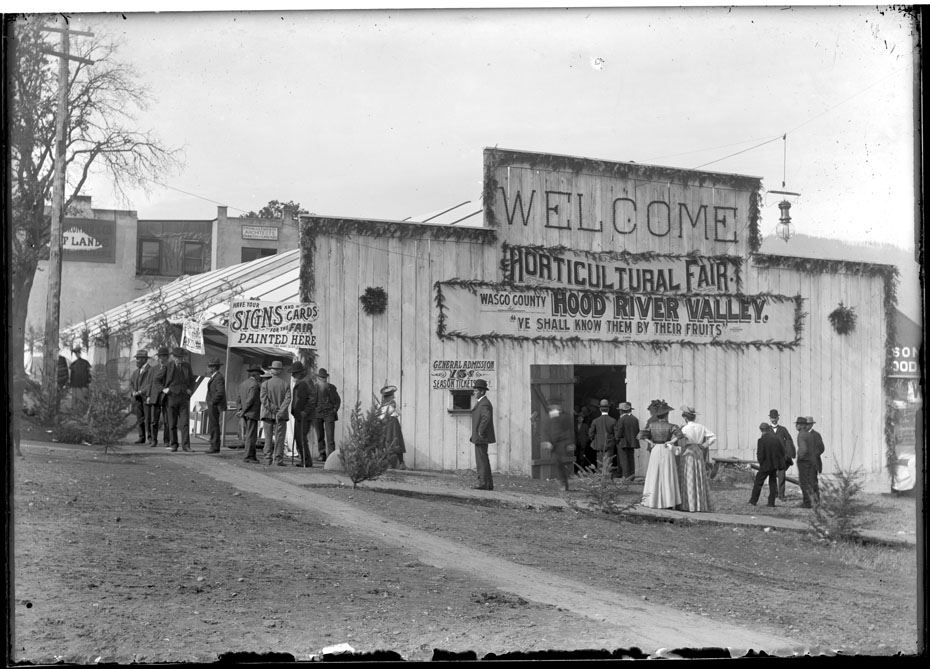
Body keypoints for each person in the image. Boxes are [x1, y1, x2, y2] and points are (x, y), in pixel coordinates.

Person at [637, 399, 684, 509]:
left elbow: (640, 435)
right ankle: (668, 501)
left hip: (656, 449)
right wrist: (671, 442)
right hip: (666, 449)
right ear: (667, 414)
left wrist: (651, 442)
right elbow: (680, 435)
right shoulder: (672, 426)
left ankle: (652, 500)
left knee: (654, 474)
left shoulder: (652, 425)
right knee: (667, 474)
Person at [678, 405, 716, 512]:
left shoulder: (684, 428)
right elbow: (713, 437)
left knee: (688, 476)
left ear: (685, 417)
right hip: (698, 450)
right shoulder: (701, 427)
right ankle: (700, 503)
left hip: (688, 451)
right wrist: (704, 445)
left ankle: (689, 504)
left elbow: (681, 441)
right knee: (699, 475)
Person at [162, 347, 196, 452]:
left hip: (184, 398)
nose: (180, 359)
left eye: (182, 357)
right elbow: (157, 380)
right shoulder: (168, 366)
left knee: (185, 423)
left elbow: (192, 380)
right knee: (172, 423)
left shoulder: (187, 366)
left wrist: (190, 389)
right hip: (171, 397)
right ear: (173, 357)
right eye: (178, 357)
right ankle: (174, 445)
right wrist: (164, 389)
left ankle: (186, 446)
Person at [261, 360, 291, 466]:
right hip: (281, 416)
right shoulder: (285, 384)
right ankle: (278, 460)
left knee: (268, 437)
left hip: (268, 414)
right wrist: (280, 410)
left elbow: (264, 400)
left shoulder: (265, 384)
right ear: (280, 371)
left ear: (272, 371)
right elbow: (288, 399)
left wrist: (274, 409)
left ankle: (267, 458)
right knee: (280, 438)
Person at [749, 423, 787, 507]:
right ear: (769, 429)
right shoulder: (776, 439)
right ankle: (771, 502)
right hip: (774, 465)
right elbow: (782, 451)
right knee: (772, 483)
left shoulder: (761, 440)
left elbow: (760, 455)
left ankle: (753, 501)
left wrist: (762, 463)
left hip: (765, 465)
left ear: (761, 430)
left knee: (758, 482)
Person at [541, 397, 574, 491]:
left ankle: (565, 482)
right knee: (557, 463)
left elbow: (570, 430)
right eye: (552, 405)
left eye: (556, 405)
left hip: (563, 443)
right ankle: (563, 482)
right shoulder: (549, 417)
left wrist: (570, 443)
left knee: (564, 462)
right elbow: (546, 430)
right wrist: (547, 441)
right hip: (554, 444)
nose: (553, 407)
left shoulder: (566, 416)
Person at [290, 361, 317, 467]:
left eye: (294, 373)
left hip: (304, 415)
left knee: (301, 438)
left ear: (300, 373)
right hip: (299, 415)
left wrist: (306, 411)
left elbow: (312, 398)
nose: (292, 375)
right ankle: (304, 459)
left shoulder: (306, 382)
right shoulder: (301, 382)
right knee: (299, 437)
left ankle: (306, 461)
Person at [470, 378, 496, 490]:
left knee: (481, 460)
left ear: (482, 391)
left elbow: (486, 417)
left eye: (476, 390)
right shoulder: (482, 402)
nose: (474, 392)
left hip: (481, 437)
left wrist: (480, 431)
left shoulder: (484, 403)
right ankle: (488, 484)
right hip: (480, 436)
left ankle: (483, 483)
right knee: (484, 459)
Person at [796, 416, 825, 508]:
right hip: (810, 461)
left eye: (808, 424)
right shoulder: (806, 434)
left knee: (811, 482)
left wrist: (811, 455)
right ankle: (811, 502)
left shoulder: (815, 434)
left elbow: (821, 448)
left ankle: (813, 502)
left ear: (811, 424)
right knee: (809, 483)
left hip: (810, 462)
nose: (807, 426)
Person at [313, 368, 341, 460]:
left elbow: (337, 401)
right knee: (320, 436)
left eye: (324, 377)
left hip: (329, 414)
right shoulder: (314, 388)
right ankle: (322, 454)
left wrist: (334, 410)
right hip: (317, 414)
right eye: (321, 377)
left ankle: (331, 457)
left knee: (330, 437)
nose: (323, 379)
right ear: (318, 378)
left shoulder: (332, 388)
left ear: (326, 378)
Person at [237, 365, 263, 463]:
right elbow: (250, 400)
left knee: (249, 434)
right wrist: (243, 410)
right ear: (256, 374)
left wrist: (240, 410)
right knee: (251, 435)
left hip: (245, 413)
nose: (260, 377)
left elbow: (238, 398)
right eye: (259, 375)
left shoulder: (243, 384)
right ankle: (248, 456)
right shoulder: (255, 385)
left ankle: (252, 455)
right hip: (251, 412)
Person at [769, 409, 796, 501]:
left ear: (778, 418)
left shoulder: (783, 429)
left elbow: (789, 440)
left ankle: (781, 495)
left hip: (781, 458)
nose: (774, 420)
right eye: (772, 418)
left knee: (781, 476)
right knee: (772, 477)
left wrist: (788, 453)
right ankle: (774, 494)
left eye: (775, 418)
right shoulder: (767, 430)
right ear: (770, 418)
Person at [146, 347, 171, 447]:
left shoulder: (171, 368)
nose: (161, 358)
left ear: (167, 357)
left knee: (167, 420)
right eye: (160, 356)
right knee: (154, 420)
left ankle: (166, 440)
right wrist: (148, 395)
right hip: (155, 396)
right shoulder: (153, 369)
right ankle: (153, 440)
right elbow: (149, 383)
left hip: (166, 396)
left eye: (164, 356)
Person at [379, 384, 407, 469]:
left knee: (395, 441)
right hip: (387, 423)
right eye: (392, 396)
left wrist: (393, 409)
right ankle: (390, 463)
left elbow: (398, 413)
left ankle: (401, 463)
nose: (393, 397)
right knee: (387, 441)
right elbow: (380, 416)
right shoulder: (383, 405)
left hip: (392, 423)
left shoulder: (391, 404)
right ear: (388, 396)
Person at [588, 399, 618, 475]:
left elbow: (591, 433)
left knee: (600, 462)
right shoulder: (613, 420)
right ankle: (607, 478)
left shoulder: (595, 421)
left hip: (599, 444)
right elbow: (616, 435)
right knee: (608, 462)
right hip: (609, 444)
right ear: (608, 409)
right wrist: (614, 441)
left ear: (600, 409)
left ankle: (600, 478)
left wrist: (594, 440)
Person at [128, 350, 152, 444]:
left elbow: (150, 384)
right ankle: (141, 437)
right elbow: (131, 383)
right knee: (140, 418)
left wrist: (140, 391)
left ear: (144, 359)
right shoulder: (135, 372)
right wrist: (133, 391)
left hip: (146, 397)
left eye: (138, 359)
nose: (137, 361)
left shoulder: (151, 371)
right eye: (136, 358)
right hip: (138, 399)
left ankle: (150, 438)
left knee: (148, 418)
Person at [205, 358, 227, 454]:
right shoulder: (215, 377)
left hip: (215, 405)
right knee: (213, 425)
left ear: (213, 368)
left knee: (214, 426)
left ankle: (214, 446)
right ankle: (214, 445)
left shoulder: (218, 377)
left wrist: (212, 402)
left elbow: (220, 392)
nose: (207, 368)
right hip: (213, 404)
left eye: (209, 366)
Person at [613, 402, 640, 480]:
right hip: (632, 442)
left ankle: (626, 476)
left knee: (624, 460)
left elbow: (619, 433)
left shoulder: (622, 419)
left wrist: (616, 439)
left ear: (622, 411)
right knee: (631, 459)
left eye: (619, 410)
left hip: (622, 442)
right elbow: (637, 431)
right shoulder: (635, 419)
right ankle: (632, 476)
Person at [69, 346, 92, 414]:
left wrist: (89, 381)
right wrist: (71, 383)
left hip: (83, 383)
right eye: (76, 353)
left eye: (78, 352)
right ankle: (75, 411)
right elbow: (72, 375)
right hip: (75, 383)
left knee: (83, 398)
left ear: (80, 353)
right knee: (75, 398)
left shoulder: (85, 362)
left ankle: (84, 411)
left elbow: (89, 373)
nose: (77, 354)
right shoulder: (73, 363)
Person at [573, 409, 593, 474]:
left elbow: (588, 434)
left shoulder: (585, 426)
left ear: (583, 419)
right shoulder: (574, 425)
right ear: (577, 419)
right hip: (576, 442)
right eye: (579, 418)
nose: (580, 419)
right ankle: (576, 469)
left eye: (581, 418)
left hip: (583, 443)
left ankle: (581, 469)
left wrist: (586, 440)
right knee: (576, 456)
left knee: (582, 456)